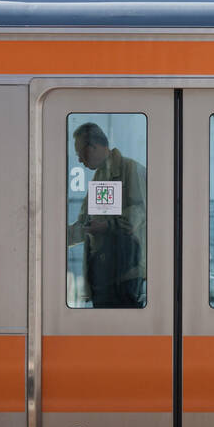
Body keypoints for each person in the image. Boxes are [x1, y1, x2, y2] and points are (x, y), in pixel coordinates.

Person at [67, 122, 146, 307]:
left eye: (80, 153)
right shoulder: (101, 176)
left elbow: (141, 212)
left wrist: (106, 226)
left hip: (124, 273)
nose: (79, 159)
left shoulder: (130, 169)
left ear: (93, 147)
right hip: (102, 274)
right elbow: (87, 223)